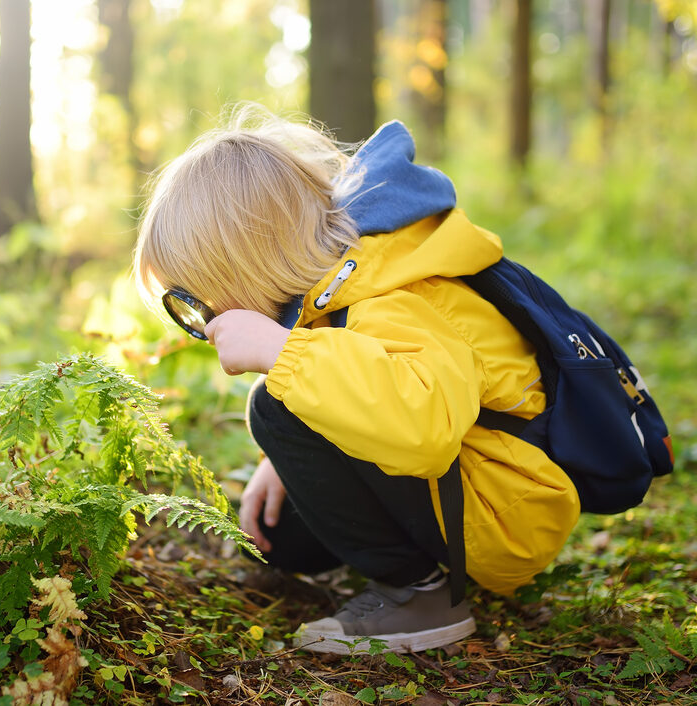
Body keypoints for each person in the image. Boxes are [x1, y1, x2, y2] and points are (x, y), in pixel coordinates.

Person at [132, 106, 580, 654]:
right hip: (467, 489)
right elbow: (361, 378)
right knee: (283, 540)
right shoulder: (337, 287)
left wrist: (282, 355)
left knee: (272, 405)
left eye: (193, 299)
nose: (198, 320)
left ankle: (420, 597)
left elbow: (424, 427)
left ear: (245, 266)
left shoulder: (394, 292)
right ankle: (395, 565)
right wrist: (285, 460)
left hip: (502, 511)